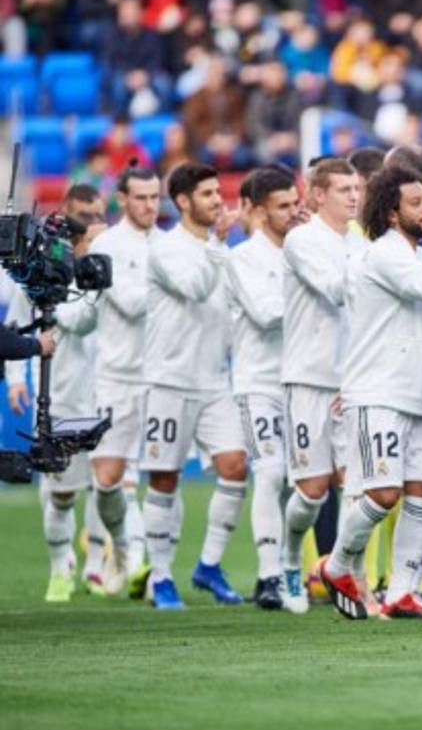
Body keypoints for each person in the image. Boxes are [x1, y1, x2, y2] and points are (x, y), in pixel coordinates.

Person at [318, 167, 422, 621]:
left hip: (417, 392)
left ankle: (403, 591)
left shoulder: (411, 256)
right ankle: (336, 566)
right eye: (417, 203)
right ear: (393, 212)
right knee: (382, 493)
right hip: (379, 392)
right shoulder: (385, 255)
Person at [140, 163, 248, 610]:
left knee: (236, 466)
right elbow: (195, 289)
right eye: (206, 194)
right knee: (165, 477)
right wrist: (220, 243)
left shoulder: (218, 249)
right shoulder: (165, 249)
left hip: (214, 381)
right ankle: (162, 576)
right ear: (183, 201)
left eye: (217, 193)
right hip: (170, 380)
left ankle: (208, 564)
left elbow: (234, 306)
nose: (217, 201)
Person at [6, 185, 96, 602]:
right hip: (61, 393)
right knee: (61, 490)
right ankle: (62, 566)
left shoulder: (100, 278)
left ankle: (102, 563)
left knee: (113, 484)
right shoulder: (36, 282)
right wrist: (19, 379)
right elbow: (13, 329)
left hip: (108, 392)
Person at [280, 159, 361, 613]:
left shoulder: (361, 243)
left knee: (356, 485)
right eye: (343, 188)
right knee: (312, 491)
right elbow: (334, 289)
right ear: (317, 194)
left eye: (356, 188)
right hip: (310, 377)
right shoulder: (302, 240)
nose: (353, 196)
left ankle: (348, 572)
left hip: (351, 380)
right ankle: (292, 559)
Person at [225, 167, 301, 611]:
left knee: (302, 484)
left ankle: (289, 567)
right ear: (256, 211)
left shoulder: (304, 250)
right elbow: (265, 312)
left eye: (295, 203)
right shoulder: (243, 258)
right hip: (258, 382)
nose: (293, 213)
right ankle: (269, 573)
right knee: (270, 473)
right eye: (283, 206)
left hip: (301, 380)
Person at [88, 165, 161, 597]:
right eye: (141, 198)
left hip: (161, 377)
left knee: (159, 476)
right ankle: (120, 545)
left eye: (155, 198)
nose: (150, 206)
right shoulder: (106, 245)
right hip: (116, 376)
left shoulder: (170, 244)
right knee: (108, 478)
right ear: (122, 199)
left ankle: (146, 564)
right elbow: (132, 304)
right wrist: (174, 280)